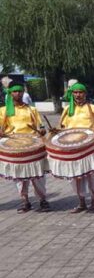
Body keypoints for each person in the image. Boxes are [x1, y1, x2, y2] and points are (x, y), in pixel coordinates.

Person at [0, 80, 50, 213]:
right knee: (19, 176)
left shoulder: (31, 109)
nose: (18, 94)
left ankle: (42, 200)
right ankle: (25, 201)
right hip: (15, 146)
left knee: (38, 175)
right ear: (10, 93)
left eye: (20, 91)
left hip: (33, 145)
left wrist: (42, 131)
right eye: (15, 91)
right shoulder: (4, 111)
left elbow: (41, 126)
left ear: (23, 92)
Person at [58, 80, 94, 213]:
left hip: (90, 147)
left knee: (93, 175)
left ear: (85, 94)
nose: (78, 95)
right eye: (75, 92)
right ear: (72, 94)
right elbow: (61, 128)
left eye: (80, 92)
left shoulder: (92, 108)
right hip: (73, 148)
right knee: (75, 176)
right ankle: (81, 203)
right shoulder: (67, 109)